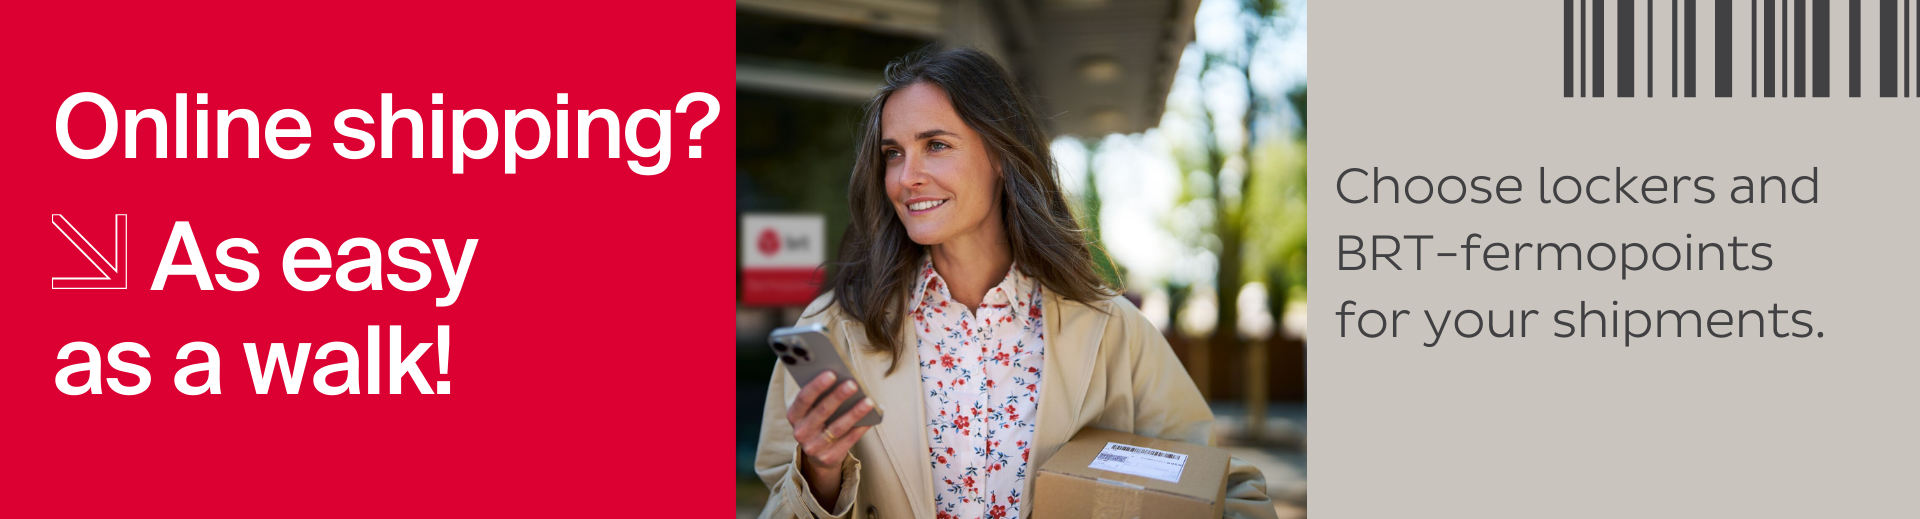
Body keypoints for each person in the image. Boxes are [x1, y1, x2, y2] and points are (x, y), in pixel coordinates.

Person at [754, 47, 1280, 519]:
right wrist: (821, 477)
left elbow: (1228, 495)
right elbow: (778, 504)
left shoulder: (1109, 329)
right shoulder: (835, 327)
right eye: (893, 152)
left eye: (935, 145)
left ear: (1002, 156)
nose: (905, 176)